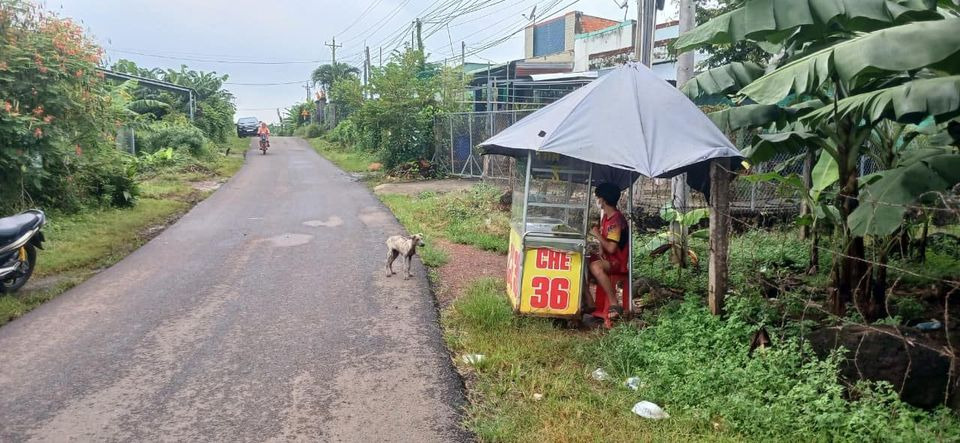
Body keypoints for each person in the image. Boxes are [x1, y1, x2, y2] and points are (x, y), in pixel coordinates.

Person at [588, 182, 629, 328]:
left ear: (603, 200)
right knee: (585, 261)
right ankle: (588, 302)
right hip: (609, 259)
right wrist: (599, 247)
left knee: (596, 267)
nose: (597, 200)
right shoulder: (606, 217)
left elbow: (611, 248)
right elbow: (604, 247)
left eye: (598, 198)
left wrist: (597, 235)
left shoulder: (616, 220)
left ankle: (613, 303)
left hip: (618, 262)